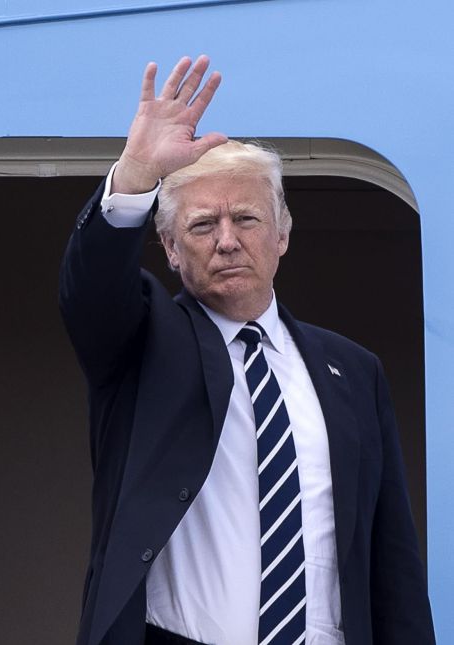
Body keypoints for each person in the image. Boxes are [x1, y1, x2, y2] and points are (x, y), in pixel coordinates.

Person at [59, 56, 435, 645]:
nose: (228, 240)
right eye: (204, 225)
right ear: (171, 248)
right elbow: (91, 291)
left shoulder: (353, 371)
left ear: (283, 234)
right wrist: (134, 175)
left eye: (247, 219)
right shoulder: (141, 342)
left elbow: (393, 564)